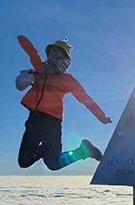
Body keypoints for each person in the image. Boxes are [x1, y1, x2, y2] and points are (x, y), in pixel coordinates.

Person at [16, 35, 112, 170]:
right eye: (52, 52)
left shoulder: (67, 79)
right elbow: (32, 53)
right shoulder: (40, 68)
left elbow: (85, 98)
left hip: (52, 123)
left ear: (65, 59)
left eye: (58, 53)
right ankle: (46, 149)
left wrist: (101, 117)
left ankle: (83, 151)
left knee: (53, 164)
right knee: (24, 162)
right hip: (34, 121)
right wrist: (22, 40)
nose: (53, 55)